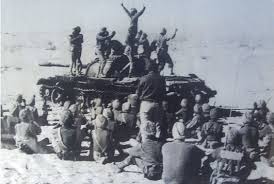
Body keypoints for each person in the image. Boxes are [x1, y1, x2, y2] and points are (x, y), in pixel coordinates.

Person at [136, 61, 166, 140]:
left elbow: (138, 92)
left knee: (145, 124)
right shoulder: (162, 79)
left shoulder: (144, 78)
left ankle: (146, 143)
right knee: (157, 125)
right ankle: (158, 143)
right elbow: (164, 93)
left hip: (146, 103)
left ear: (148, 68)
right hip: (158, 104)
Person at [121, 3, 146, 77]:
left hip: (131, 39)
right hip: (131, 38)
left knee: (131, 60)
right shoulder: (134, 16)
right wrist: (143, 8)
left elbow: (128, 12)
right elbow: (139, 13)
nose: (130, 11)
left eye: (132, 10)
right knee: (132, 61)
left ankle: (127, 72)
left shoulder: (133, 16)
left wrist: (123, 6)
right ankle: (129, 73)